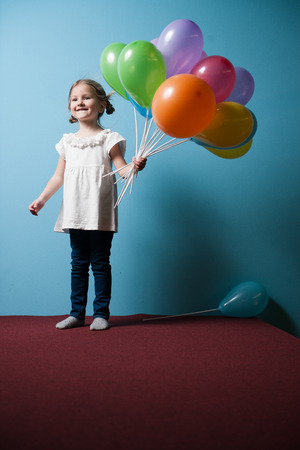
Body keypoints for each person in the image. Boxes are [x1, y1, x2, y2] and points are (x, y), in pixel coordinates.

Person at [29, 79, 146, 331]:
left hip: (100, 211)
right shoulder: (67, 142)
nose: (80, 102)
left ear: (102, 105)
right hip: (76, 211)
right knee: (78, 263)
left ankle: (101, 314)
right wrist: (42, 199)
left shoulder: (109, 138)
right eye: (75, 99)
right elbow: (58, 177)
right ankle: (77, 314)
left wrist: (134, 167)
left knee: (100, 262)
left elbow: (122, 170)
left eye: (87, 97)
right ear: (70, 107)